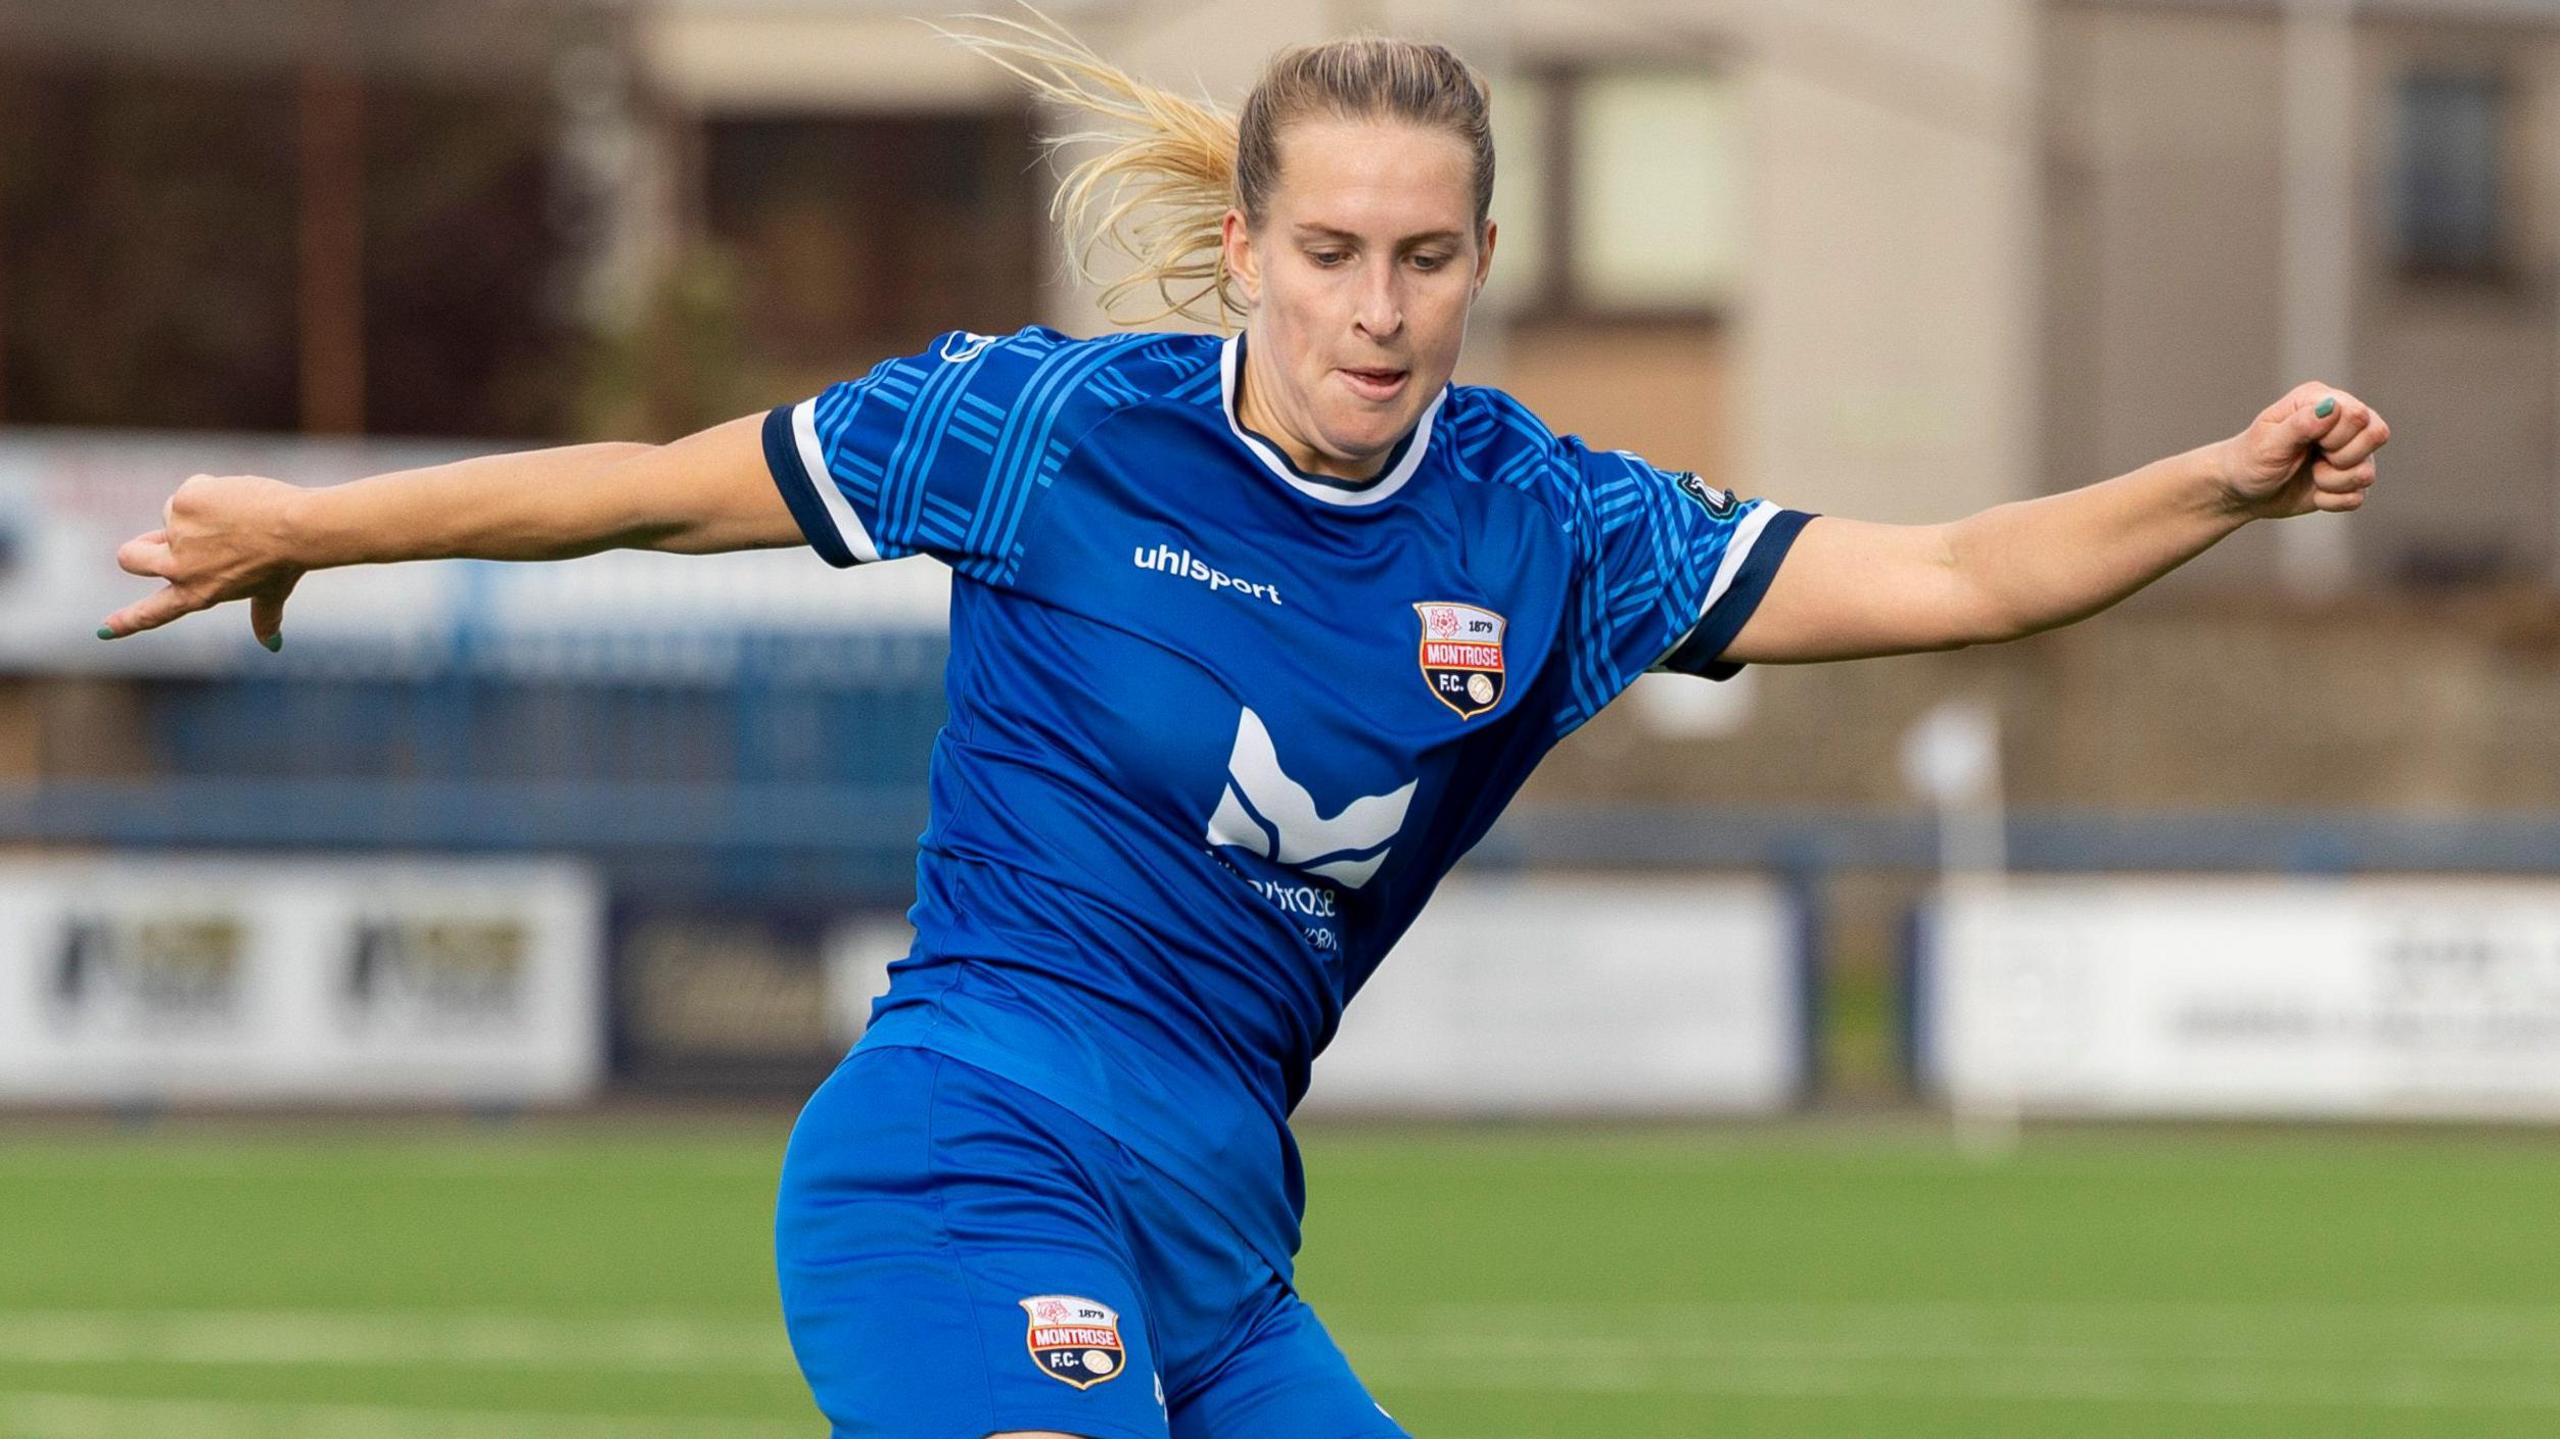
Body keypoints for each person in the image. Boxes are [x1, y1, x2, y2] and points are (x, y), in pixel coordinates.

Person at [99, 15, 2390, 1439]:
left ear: (1477, 257)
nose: (1372, 309)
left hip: (1221, 1251)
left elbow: (1961, 575)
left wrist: (2214, 480)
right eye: (1326, 257)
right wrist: (322, 521)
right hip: (966, 1158)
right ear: (1245, 253)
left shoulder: (1554, 532)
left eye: (1421, 257)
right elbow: (639, 492)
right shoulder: (1036, 432)